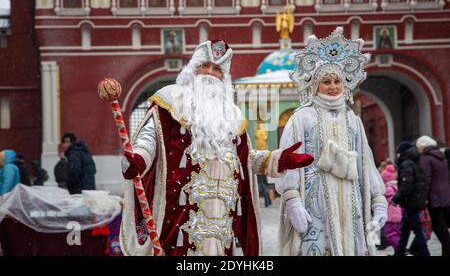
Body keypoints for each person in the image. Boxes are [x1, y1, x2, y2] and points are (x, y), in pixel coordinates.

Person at [119, 39, 314, 256]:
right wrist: (138, 158)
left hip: (222, 218)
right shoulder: (170, 101)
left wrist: (276, 160)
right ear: (193, 69)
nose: (210, 73)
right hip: (179, 216)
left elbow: (245, 159)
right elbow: (149, 140)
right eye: (204, 66)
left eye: (217, 69)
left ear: (224, 76)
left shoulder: (231, 116)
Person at [276, 27, 388, 256]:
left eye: (337, 81)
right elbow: (289, 162)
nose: (333, 86)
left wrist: (378, 200)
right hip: (314, 204)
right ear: (315, 84)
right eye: (326, 81)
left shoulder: (352, 119)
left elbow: (365, 161)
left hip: (350, 202)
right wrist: (292, 201)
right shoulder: (301, 118)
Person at [392, 141, 430, 256]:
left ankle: (425, 253)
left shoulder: (406, 164)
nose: (397, 155)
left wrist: (396, 199)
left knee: (417, 230)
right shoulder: (415, 163)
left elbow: (406, 185)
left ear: (402, 152)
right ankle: (399, 253)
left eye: (398, 152)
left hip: (410, 202)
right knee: (405, 230)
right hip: (414, 201)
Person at [416, 135, 450, 256]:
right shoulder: (442, 157)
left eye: (418, 148)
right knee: (441, 227)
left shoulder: (425, 159)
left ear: (423, 147)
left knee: (440, 229)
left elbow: (426, 180)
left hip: (433, 199)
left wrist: (423, 198)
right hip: (444, 197)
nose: (418, 150)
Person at [381, 164, 402, 249]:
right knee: (397, 233)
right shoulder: (398, 187)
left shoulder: (388, 189)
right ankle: (398, 250)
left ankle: (399, 249)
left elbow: (386, 202)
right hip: (400, 215)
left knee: (389, 233)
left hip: (392, 216)